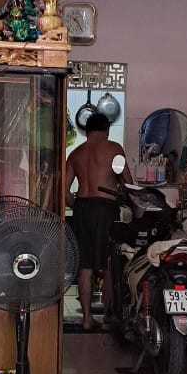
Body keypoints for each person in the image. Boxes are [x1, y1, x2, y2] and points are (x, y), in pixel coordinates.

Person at [65, 112, 131, 331]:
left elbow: (63, 192)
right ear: (107, 130)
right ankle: (106, 319)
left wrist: (79, 206)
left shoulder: (75, 154)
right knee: (108, 264)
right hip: (105, 209)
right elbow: (128, 184)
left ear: (87, 131)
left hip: (82, 209)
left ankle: (86, 318)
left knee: (85, 266)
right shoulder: (114, 149)